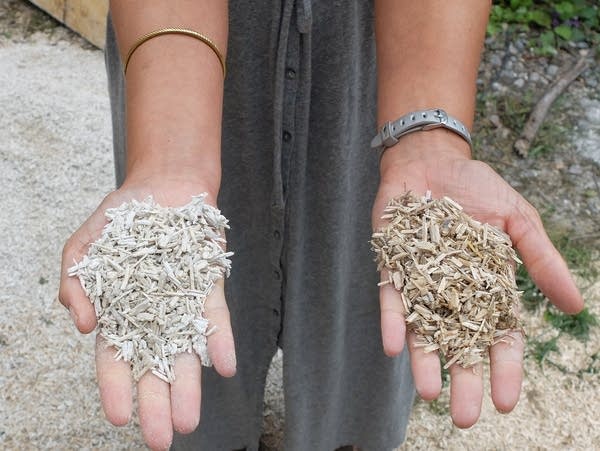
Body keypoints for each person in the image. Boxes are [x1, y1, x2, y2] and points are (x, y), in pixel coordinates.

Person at [58, 1, 584, 450]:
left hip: (391, 42)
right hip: (171, 52)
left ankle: (346, 433)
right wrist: (169, 156)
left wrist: (427, 130)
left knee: (360, 285)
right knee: (211, 304)